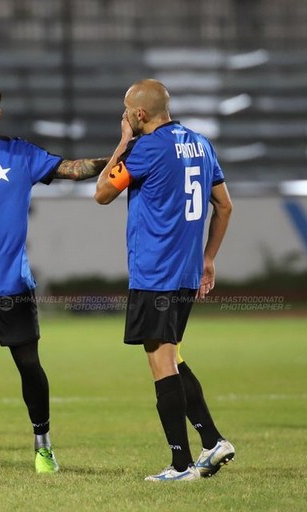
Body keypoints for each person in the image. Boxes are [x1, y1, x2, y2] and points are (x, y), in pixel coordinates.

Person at [0, 77, 107, 475]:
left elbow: (75, 169)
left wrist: (120, 153)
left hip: (13, 285)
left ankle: (43, 447)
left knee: (29, 365)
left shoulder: (20, 154)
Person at [94, 79, 234, 481]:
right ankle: (213, 442)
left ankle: (180, 465)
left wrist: (122, 143)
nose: (125, 118)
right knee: (174, 357)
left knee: (161, 364)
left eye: (126, 112)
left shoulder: (146, 149)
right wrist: (208, 258)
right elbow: (224, 206)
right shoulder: (201, 144)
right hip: (187, 273)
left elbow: (103, 192)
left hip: (156, 275)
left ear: (139, 115)